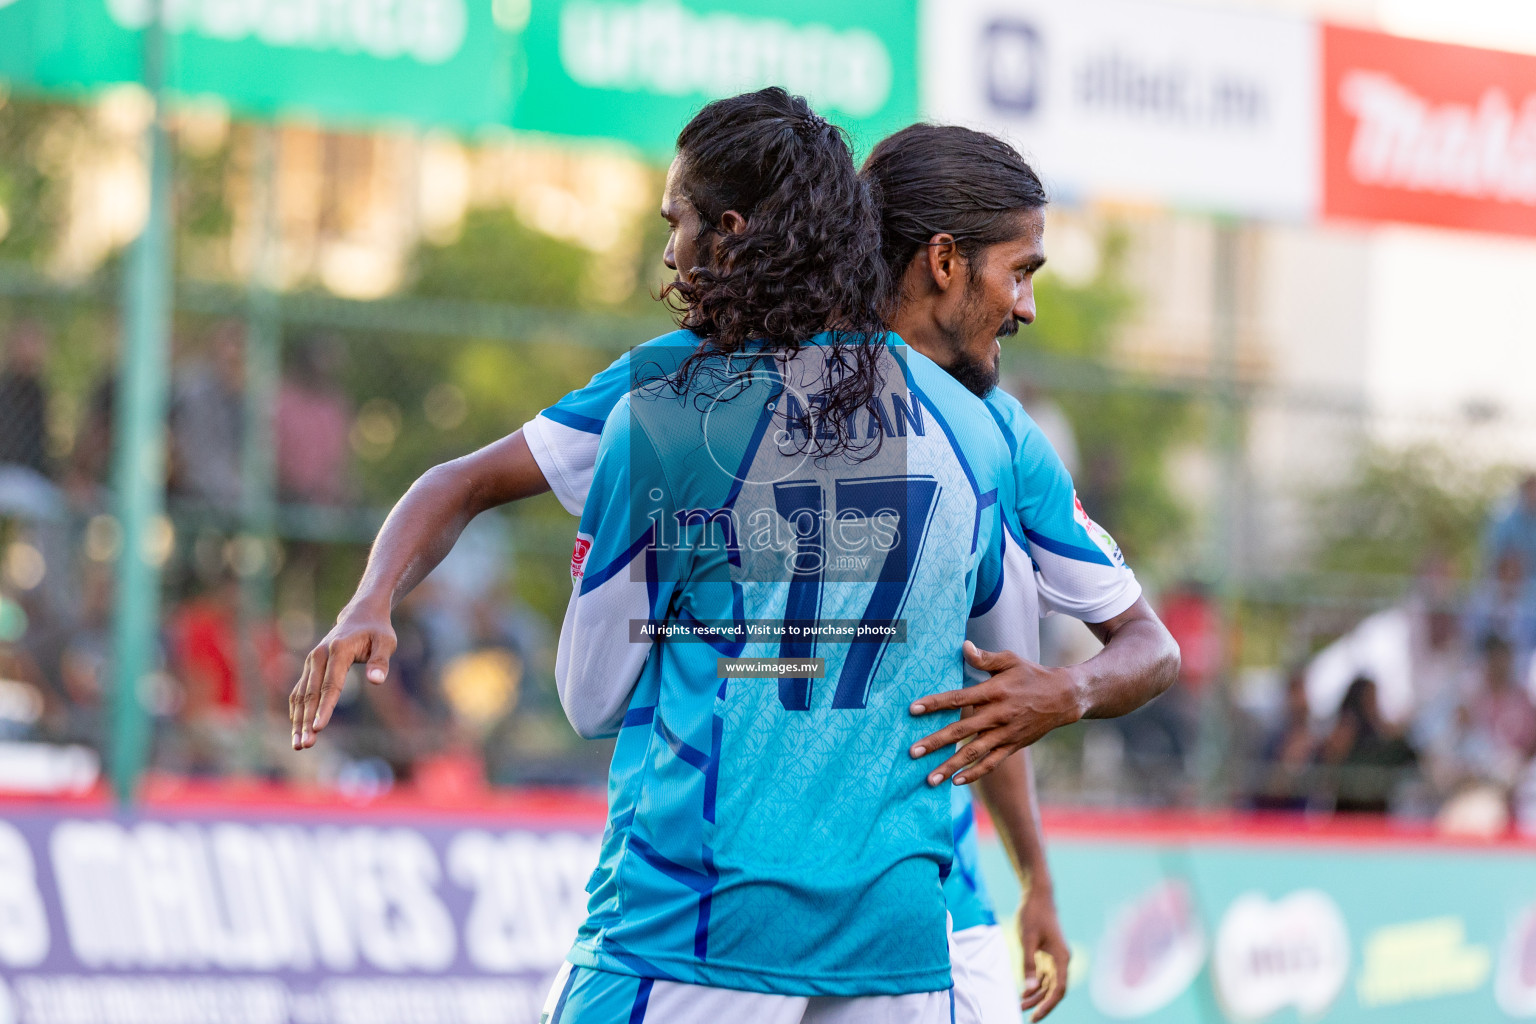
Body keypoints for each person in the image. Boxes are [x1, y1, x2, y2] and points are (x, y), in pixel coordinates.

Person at [290, 105, 1178, 1020]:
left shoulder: (676, 400)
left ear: (737, 232)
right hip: (899, 923)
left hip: (725, 919)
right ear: (943, 261)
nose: (1027, 304)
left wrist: (1038, 855)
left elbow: (591, 695)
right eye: (1022, 273)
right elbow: (999, 663)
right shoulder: (980, 434)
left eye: (675, 220)